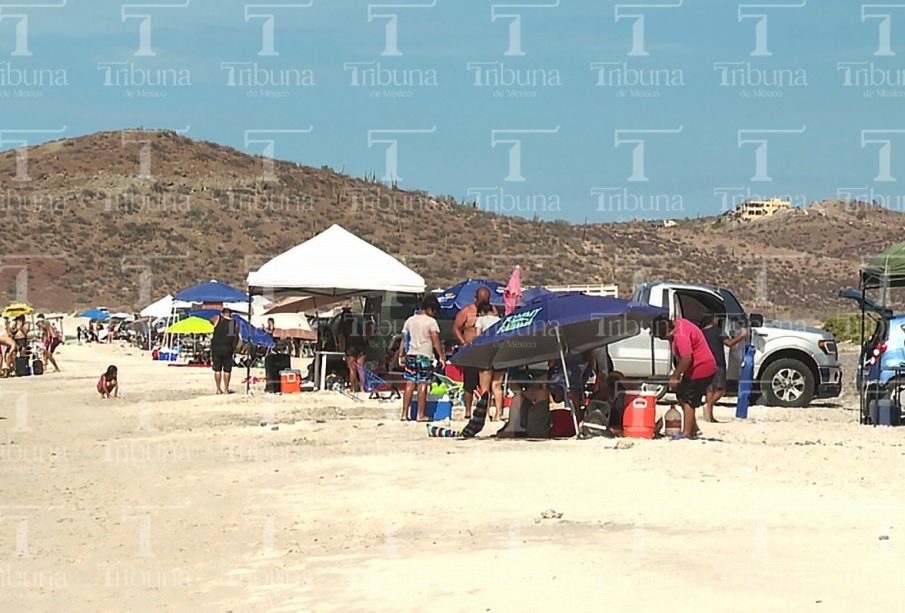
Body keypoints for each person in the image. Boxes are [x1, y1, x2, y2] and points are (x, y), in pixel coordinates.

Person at [653, 316, 716, 440]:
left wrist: (675, 376)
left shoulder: (680, 336)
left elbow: (687, 358)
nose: (666, 341)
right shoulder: (678, 323)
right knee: (681, 396)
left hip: (701, 367)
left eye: (664, 338)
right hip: (695, 368)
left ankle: (686, 433)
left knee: (688, 400)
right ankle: (694, 428)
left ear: (669, 332)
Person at [400, 295, 446, 422]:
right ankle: (421, 415)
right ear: (431, 309)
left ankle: (404, 414)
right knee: (423, 384)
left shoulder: (410, 320)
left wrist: (400, 355)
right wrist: (441, 356)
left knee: (409, 383)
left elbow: (404, 340)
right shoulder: (431, 322)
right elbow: (435, 340)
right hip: (424, 356)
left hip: (411, 354)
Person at [453, 286, 495, 419]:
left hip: (486, 352)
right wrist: (464, 343)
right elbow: (456, 328)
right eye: (482, 300)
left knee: (487, 384)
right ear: (476, 299)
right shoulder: (466, 311)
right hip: (470, 351)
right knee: (469, 383)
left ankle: (485, 410)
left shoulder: (492, 311)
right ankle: (468, 411)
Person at [700, 313, 748, 423]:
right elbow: (729, 343)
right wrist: (741, 336)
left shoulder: (702, 333)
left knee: (710, 389)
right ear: (712, 320)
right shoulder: (718, 331)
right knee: (721, 390)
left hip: (705, 362)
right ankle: (709, 405)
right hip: (718, 362)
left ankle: (709, 416)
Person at [474, 302, 504, 420]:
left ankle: (485, 414)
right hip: (499, 354)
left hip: (486, 353)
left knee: (485, 389)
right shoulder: (499, 320)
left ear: (481, 311)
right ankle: (498, 414)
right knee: (497, 386)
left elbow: (478, 337)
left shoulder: (480, 320)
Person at [339, 309, 370, 394]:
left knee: (352, 369)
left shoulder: (343, 325)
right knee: (361, 369)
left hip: (351, 347)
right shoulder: (357, 324)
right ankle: (362, 389)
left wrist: (341, 348)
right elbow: (364, 337)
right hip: (361, 346)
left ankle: (353, 389)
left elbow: (341, 337)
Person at [210, 308, 239, 394]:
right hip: (228, 348)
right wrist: (234, 347)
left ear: (222, 313)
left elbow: (210, 320)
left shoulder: (218, 318)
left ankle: (218, 389)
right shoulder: (233, 323)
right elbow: (235, 337)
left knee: (217, 369)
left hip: (216, 347)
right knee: (227, 369)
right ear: (231, 314)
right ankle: (226, 389)